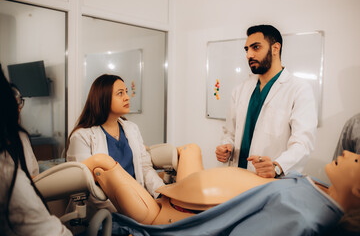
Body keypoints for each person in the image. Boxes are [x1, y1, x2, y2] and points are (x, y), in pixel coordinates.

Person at [82, 144, 360, 235]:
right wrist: (272, 169)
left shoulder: (305, 216)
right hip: (188, 192)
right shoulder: (315, 187)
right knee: (189, 149)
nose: (348, 151)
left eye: (357, 159)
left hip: (175, 215)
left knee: (100, 163)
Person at [215, 24, 317, 178]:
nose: (249, 55)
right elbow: (230, 132)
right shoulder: (240, 90)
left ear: (275, 48)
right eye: (247, 49)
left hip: (271, 181)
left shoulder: (299, 90)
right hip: (236, 176)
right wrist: (226, 147)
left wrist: (277, 166)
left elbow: (303, 143)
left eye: (255, 47)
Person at [66, 74, 164, 211]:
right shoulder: (81, 136)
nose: (127, 97)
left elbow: (145, 168)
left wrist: (162, 194)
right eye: (120, 93)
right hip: (106, 210)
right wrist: (124, 210)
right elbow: (84, 185)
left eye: (126, 92)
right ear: (103, 98)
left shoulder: (131, 128)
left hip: (139, 203)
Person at [0, 65, 71, 235]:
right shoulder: (8, 179)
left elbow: (33, 170)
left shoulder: (21, 139)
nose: (19, 107)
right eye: (15, 101)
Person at [10, 83, 39, 177]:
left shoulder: (22, 136)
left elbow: (34, 171)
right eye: (13, 104)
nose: (19, 109)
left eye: (19, 103)